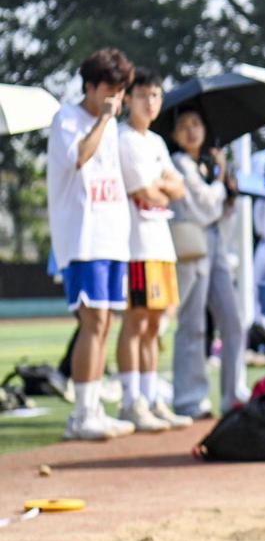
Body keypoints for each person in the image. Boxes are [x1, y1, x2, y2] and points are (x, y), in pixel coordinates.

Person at [47, 48, 137, 440]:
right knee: (93, 320)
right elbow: (80, 157)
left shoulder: (113, 127)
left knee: (106, 323)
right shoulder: (67, 119)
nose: (116, 97)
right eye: (109, 89)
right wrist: (103, 119)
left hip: (112, 236)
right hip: (83, 237)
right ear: (90, 86)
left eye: (121, 90)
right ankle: (82, 414)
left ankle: (94, 406)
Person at [116, 68, 189, 432]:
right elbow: (146, 192)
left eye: (156, 95)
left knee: (157, 323)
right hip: (136, 244)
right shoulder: (124, 139)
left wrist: (162, 186)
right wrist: (162, 185)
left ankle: (151, 395)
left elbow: (178, 188)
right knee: (136, 321)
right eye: (143, 95)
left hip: (161, 243)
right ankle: (131, 400)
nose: (150, 102)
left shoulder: (157, 142)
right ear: (128, 99)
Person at [169, 108, 247, 417]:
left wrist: (227, 190)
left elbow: (222, 212)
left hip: (216, 245)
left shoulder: (205, 165)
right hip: (193, 245)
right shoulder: (179, 163)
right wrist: (219, 182)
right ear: (174, 134)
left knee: (233, 320)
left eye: (196, 124)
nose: (191, 131)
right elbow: (201, 205)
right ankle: (190, 398)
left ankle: (233, 393)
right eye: (184, 126)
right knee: (193, 322)